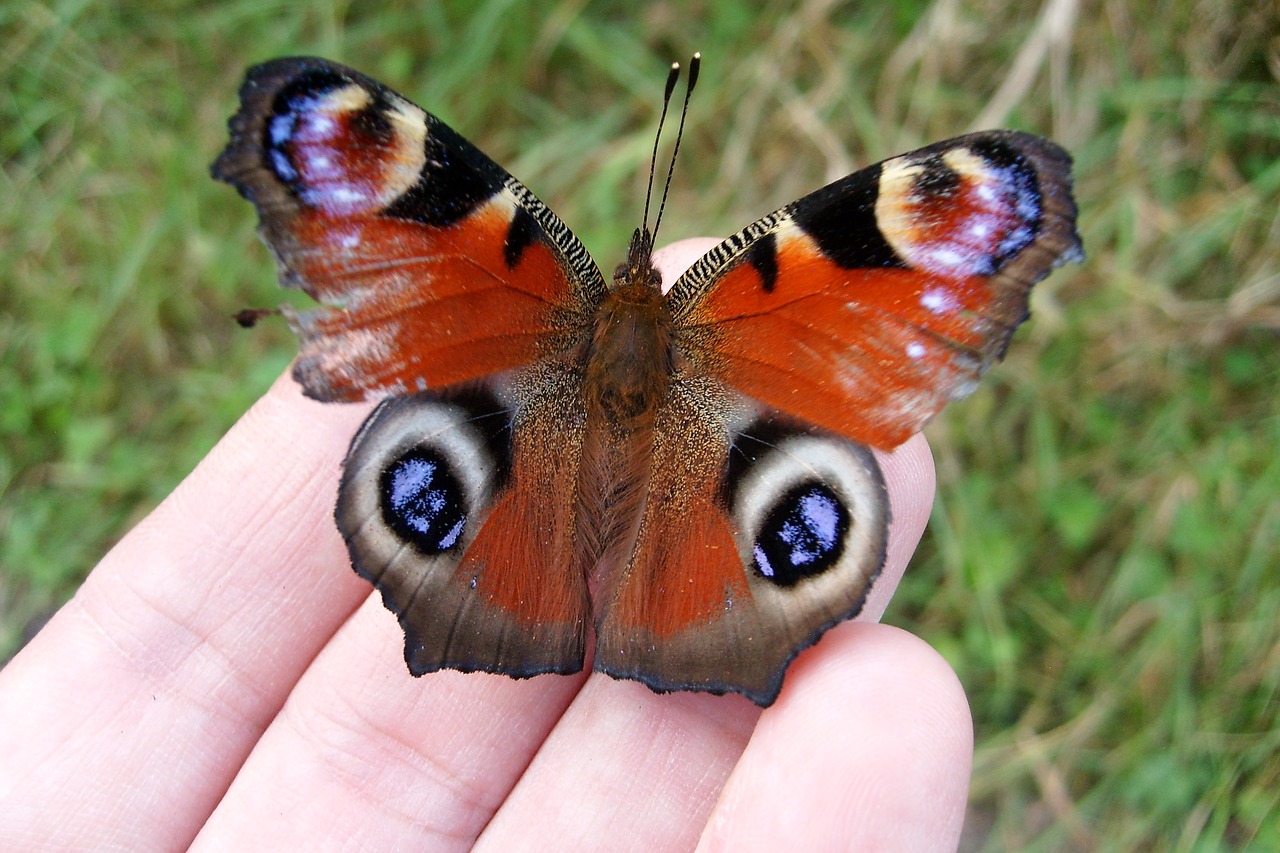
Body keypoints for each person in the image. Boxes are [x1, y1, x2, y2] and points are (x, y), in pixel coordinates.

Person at [0, 241, 973, 850]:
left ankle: (657, 607)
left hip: (537, 438)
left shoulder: (509, 258)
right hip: (664, 452)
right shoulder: (761, 283)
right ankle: (652, 598)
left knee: (443, 456)